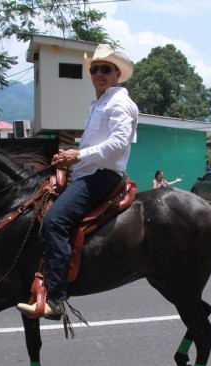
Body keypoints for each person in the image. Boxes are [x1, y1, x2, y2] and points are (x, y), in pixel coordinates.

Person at [16, 44, 138, 319]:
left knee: (55, 221)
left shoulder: (120, 102)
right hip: (88, 174)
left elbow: (118, 144)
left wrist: (79, 154)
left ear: (117, 74)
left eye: (105, 69)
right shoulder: (98, 103)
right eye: (95, 69)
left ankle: (56, 298)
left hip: (102, 177)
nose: (99, 73)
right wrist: (71, 158)